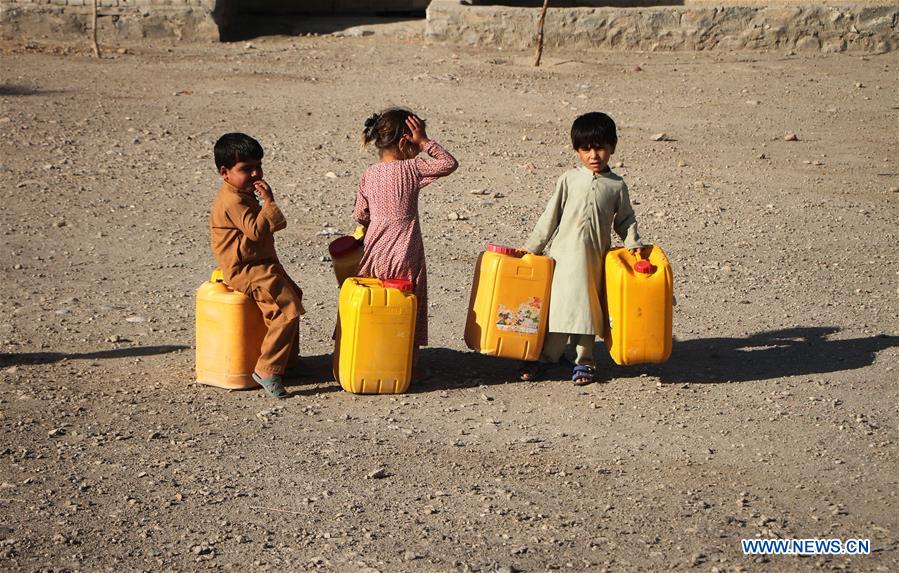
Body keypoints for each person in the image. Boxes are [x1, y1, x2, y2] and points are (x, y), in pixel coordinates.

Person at [522, 112, 644, 385]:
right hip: (563, 258)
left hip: (593, 260)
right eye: (586, 149)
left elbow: (625, 219)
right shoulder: (568, 179)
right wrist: (532, 248)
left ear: (612, 146)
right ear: (577, 150)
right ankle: (546, 357)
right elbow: (549, 217)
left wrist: (633, 243)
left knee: (588, 310)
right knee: (558, 307)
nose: (594, 155)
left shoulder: (617, 186)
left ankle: (584, 361)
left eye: (600, 147)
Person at [353, 108, 459, 380]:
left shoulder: (369, 174)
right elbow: (448, 163)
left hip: (375, 251)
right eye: (414, 141)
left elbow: (360, 215)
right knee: (408, 303)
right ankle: (408, 364)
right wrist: (426, 142)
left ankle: (372, 356)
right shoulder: (411, 168)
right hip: (406, 251)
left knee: (374, 305)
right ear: (404, 143)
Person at [210, 133, 304, 399]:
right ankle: (268, 369)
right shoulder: (233, 200)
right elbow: (256, 231)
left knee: (294, 295)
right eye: (245, 169)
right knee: (286, 309)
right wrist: (269, 203)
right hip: (245, 269)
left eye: (258, 166)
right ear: (224, 172)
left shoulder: (241, 193)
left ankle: (287, 362)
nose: (255, 173)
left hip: (261, 264)